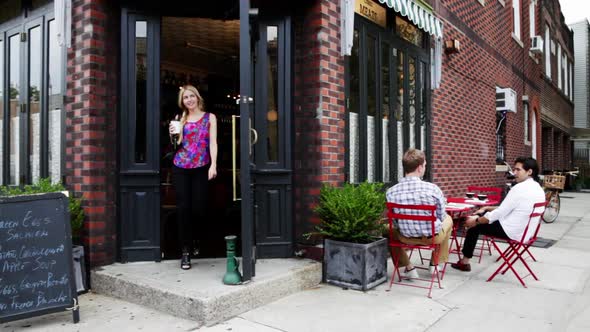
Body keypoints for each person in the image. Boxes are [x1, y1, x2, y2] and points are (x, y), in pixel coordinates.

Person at [451, 157, 545, 272]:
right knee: (483, 215)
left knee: (474, 226)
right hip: (526, 232)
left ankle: (464, 262)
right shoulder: (538, 188)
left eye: (518, 170)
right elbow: (509, 208)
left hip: (512, 231)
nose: (514, 173)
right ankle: (475, 219)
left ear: (529, 172)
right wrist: (486, 208)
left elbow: (500, 213)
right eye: (514, 169)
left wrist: (475, 221)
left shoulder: (519, 188)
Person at [169, 85, 218, 270]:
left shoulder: (209, 117)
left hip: (201, 167)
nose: (188, 100)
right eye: (185, 98)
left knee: (199, 208)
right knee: (183, 209)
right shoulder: (180, 119)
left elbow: (213, 142)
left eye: (191, 96)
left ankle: (196, 238)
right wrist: (173, 134)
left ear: (197, 97)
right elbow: (178, 143)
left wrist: (213, 164)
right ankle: (185, 251)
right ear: (182, 102)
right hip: (181, 166)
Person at [386, 148, 453, 279]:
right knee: (448, 219)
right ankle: (435, 263)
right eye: (425, 166)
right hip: (432, 237)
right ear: (419, 167)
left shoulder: (391, 192)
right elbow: (441, 215)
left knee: (387, 230)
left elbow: (394, 221)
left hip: (405, 237)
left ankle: (408, 267)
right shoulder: (432, 189)